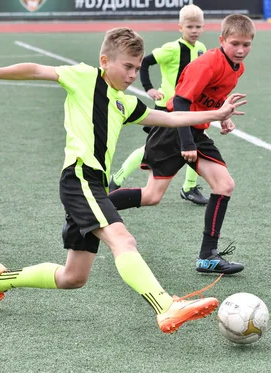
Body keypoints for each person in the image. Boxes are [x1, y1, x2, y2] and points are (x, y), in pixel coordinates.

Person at [0, 27, 247, 334]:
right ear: (105, 60)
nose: (132, 74)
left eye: (137, 68)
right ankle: (165, 306)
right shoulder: (85, 77)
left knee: (73, 277)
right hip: (79, 176)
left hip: (93, 185)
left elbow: (170, 117)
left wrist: (216, 113)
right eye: (127, 66)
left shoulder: (124, 103)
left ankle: (0, 279)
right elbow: (36, 69)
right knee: (123, 240)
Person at [108, 15, 256, 276]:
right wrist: (187, 143)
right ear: (222, 40)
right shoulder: (208, 64)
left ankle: (207, 257)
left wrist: (225, 118)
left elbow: (208, 102)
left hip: (195, 131)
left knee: (224, 185)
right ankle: (88, 211)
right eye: (235, 43)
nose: (241, 50)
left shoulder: (237, 67)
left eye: (247, 44)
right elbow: (181, 104)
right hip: (173, 130)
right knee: (152, 196)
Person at [109, 4, 209, 206]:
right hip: (167, 108)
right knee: (150, 149)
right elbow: (144, 62)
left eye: (198, 27)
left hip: (189, 108)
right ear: (180, 27)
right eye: (190, 27)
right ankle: (116, 180)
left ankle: (189, 187)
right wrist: (149, 89)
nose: (194, 31)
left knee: (195, 143)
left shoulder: (201, 49)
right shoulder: (171, 49)